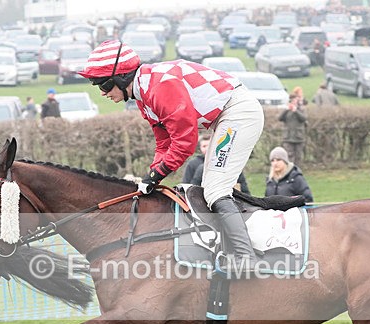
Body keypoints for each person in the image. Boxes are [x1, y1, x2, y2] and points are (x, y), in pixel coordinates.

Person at [78, 40, 265, 270]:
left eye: (104, 84)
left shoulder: (159, 87)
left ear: (122, 77)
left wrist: (156, 175)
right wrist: (151, 176)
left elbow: (185, 143)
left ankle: (246, 257)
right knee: (209, 188)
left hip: (238, 113)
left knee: (216, 190)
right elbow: (164, 142)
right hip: (226, 116)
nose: (103, 92)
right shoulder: (144, 93)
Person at [182, 134, 249, 193]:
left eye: (209, 145)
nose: (207, 148)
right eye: (204, 146)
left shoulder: (228, 162)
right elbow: (186, 185)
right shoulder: (193, 164)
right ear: (200, 147)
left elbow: (243, 187)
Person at [279, 92, 308, 168]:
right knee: (289, 155)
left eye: (295, 100)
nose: (294, 102)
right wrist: (286, 110)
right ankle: (289, 170)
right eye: (292, 100)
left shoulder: (301, 109)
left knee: (298, 156)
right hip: (288, 137)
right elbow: (280, 118)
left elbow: (304, 118)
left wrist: (296, 111)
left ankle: (297, 170)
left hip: (299, 137)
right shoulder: (286, 110)